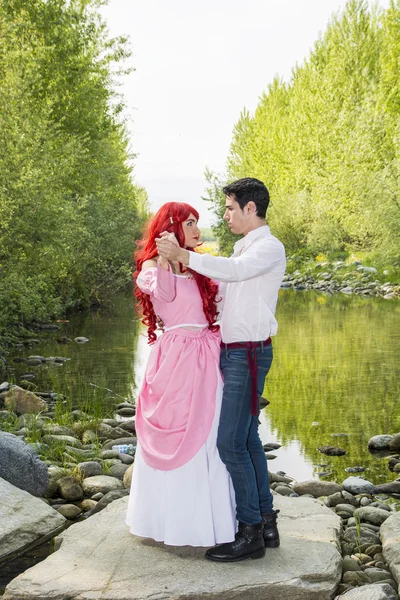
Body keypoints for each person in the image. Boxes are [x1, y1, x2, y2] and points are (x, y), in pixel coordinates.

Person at [156, 177, 286, 562]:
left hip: (247, 354)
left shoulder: (267, 247)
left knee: (229, 443)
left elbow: (234, 271)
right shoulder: (244, 248)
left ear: (250, 209)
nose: (225, 214)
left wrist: (185, 255)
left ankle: (250, 535)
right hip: (237, 353)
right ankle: (265, 522)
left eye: (230, 207)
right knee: (246, 440)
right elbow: (225, 284)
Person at [125, 202, 236, 547]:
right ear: (171, 227)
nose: (197, 231)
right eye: (190, 223)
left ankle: (211, 523)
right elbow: (166, 293)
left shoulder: (200, 268)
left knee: (210, 432)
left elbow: (225, 299)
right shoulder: (152, 269)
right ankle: (171, 524)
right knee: (181, 430)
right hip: (176, 357)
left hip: (207, 354)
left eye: (197, 223)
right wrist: (166, 259)